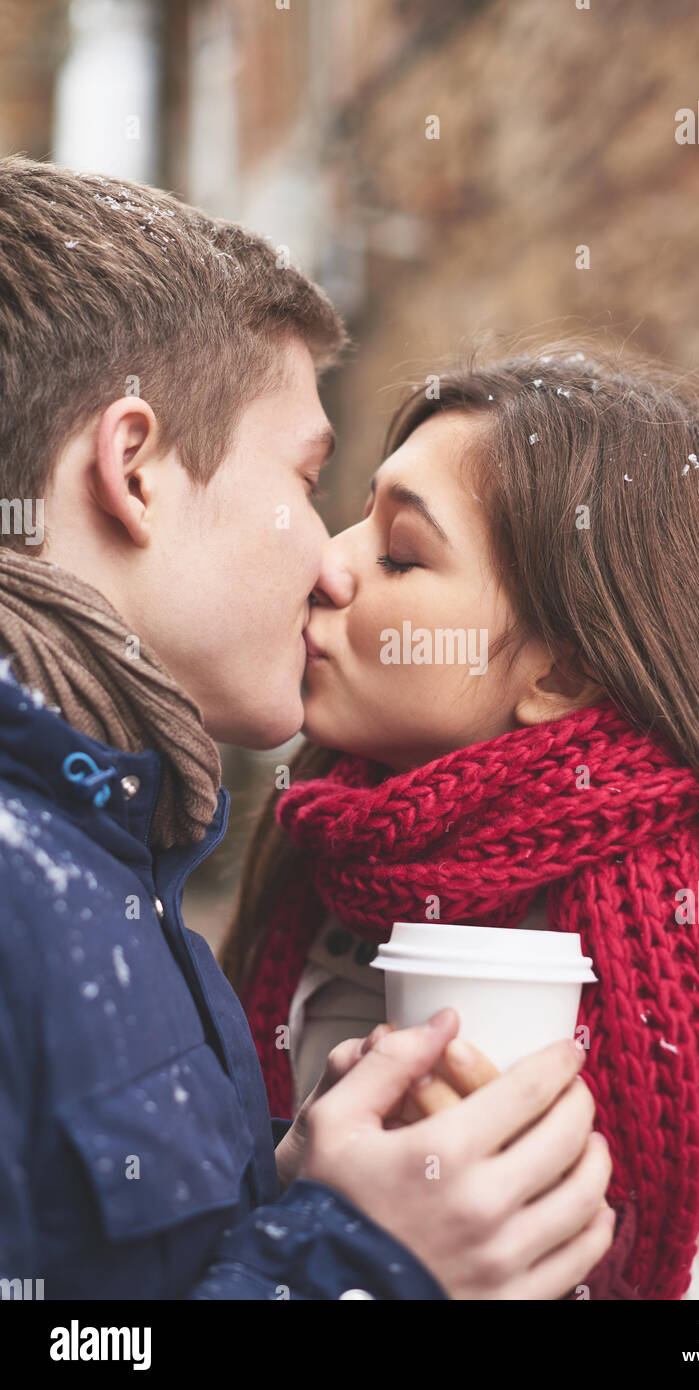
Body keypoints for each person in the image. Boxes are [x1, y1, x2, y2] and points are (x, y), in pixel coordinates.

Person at [0, 156, 618, 1301]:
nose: (329, 564)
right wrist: (362, 1266)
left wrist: (291, 1201)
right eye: (306, 479)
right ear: (132, 470)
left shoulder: (105, 848)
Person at [224, 349, 699, 1300]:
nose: (328, 560)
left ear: (558, 675)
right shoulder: (315, 867)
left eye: (399, 552)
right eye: (358, 515)